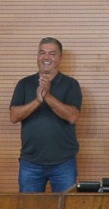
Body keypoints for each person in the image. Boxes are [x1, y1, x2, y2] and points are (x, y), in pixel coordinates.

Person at [9, 37, 81, 192]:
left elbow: (72, 116)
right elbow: (14, 116)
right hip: (30, 163)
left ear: (60, 58)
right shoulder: (24, 84)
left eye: (52, 53)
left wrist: (47, 96)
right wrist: (37, 100)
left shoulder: (71, 84)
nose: (46, 57)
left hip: (64, 163)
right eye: (42, 53)